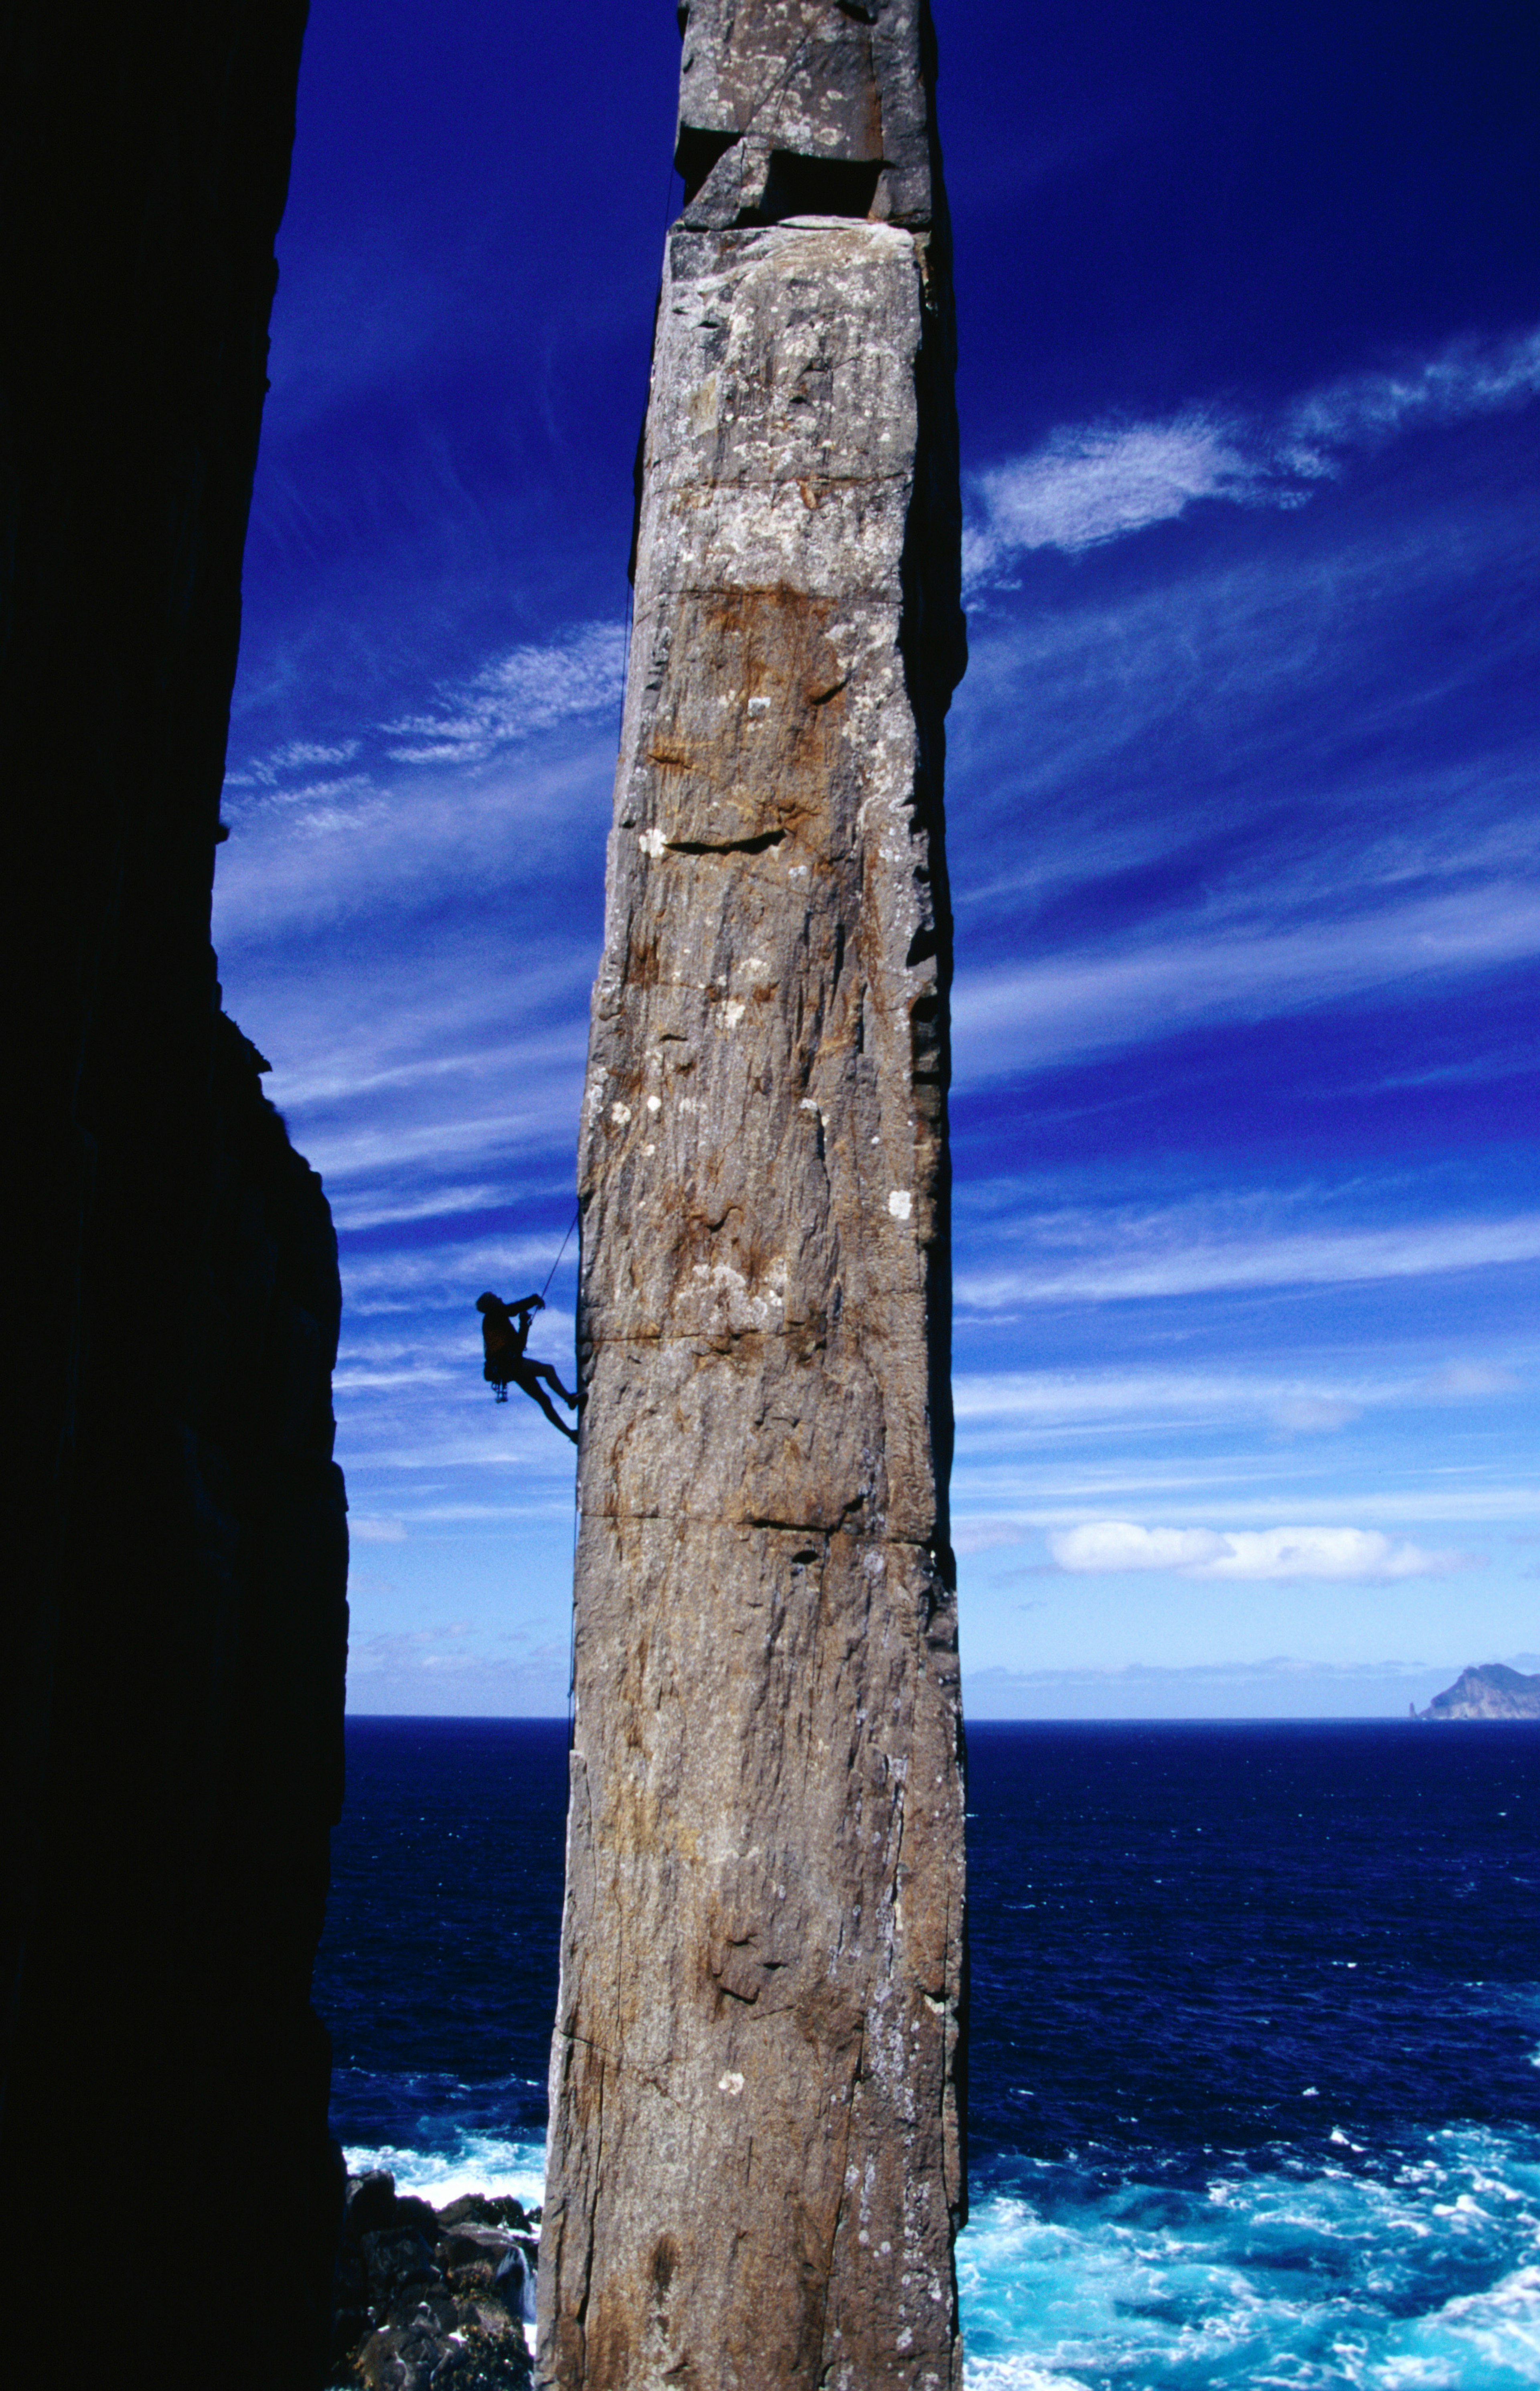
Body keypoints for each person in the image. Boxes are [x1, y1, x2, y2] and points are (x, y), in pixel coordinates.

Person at [475, 1292, 580, 1443]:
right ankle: (569, 1398)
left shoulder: (497, 1320)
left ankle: (570, 1434)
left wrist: (524, 1324)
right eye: (496, 1298)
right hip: (509, 1364)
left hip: (509, 1367)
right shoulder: (494, 1315)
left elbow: (519, 1345)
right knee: (547, 1370)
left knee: (544, 1400)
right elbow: (512, 1309)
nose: (500, 1298)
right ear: (492, 1303)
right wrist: (534, 1299)